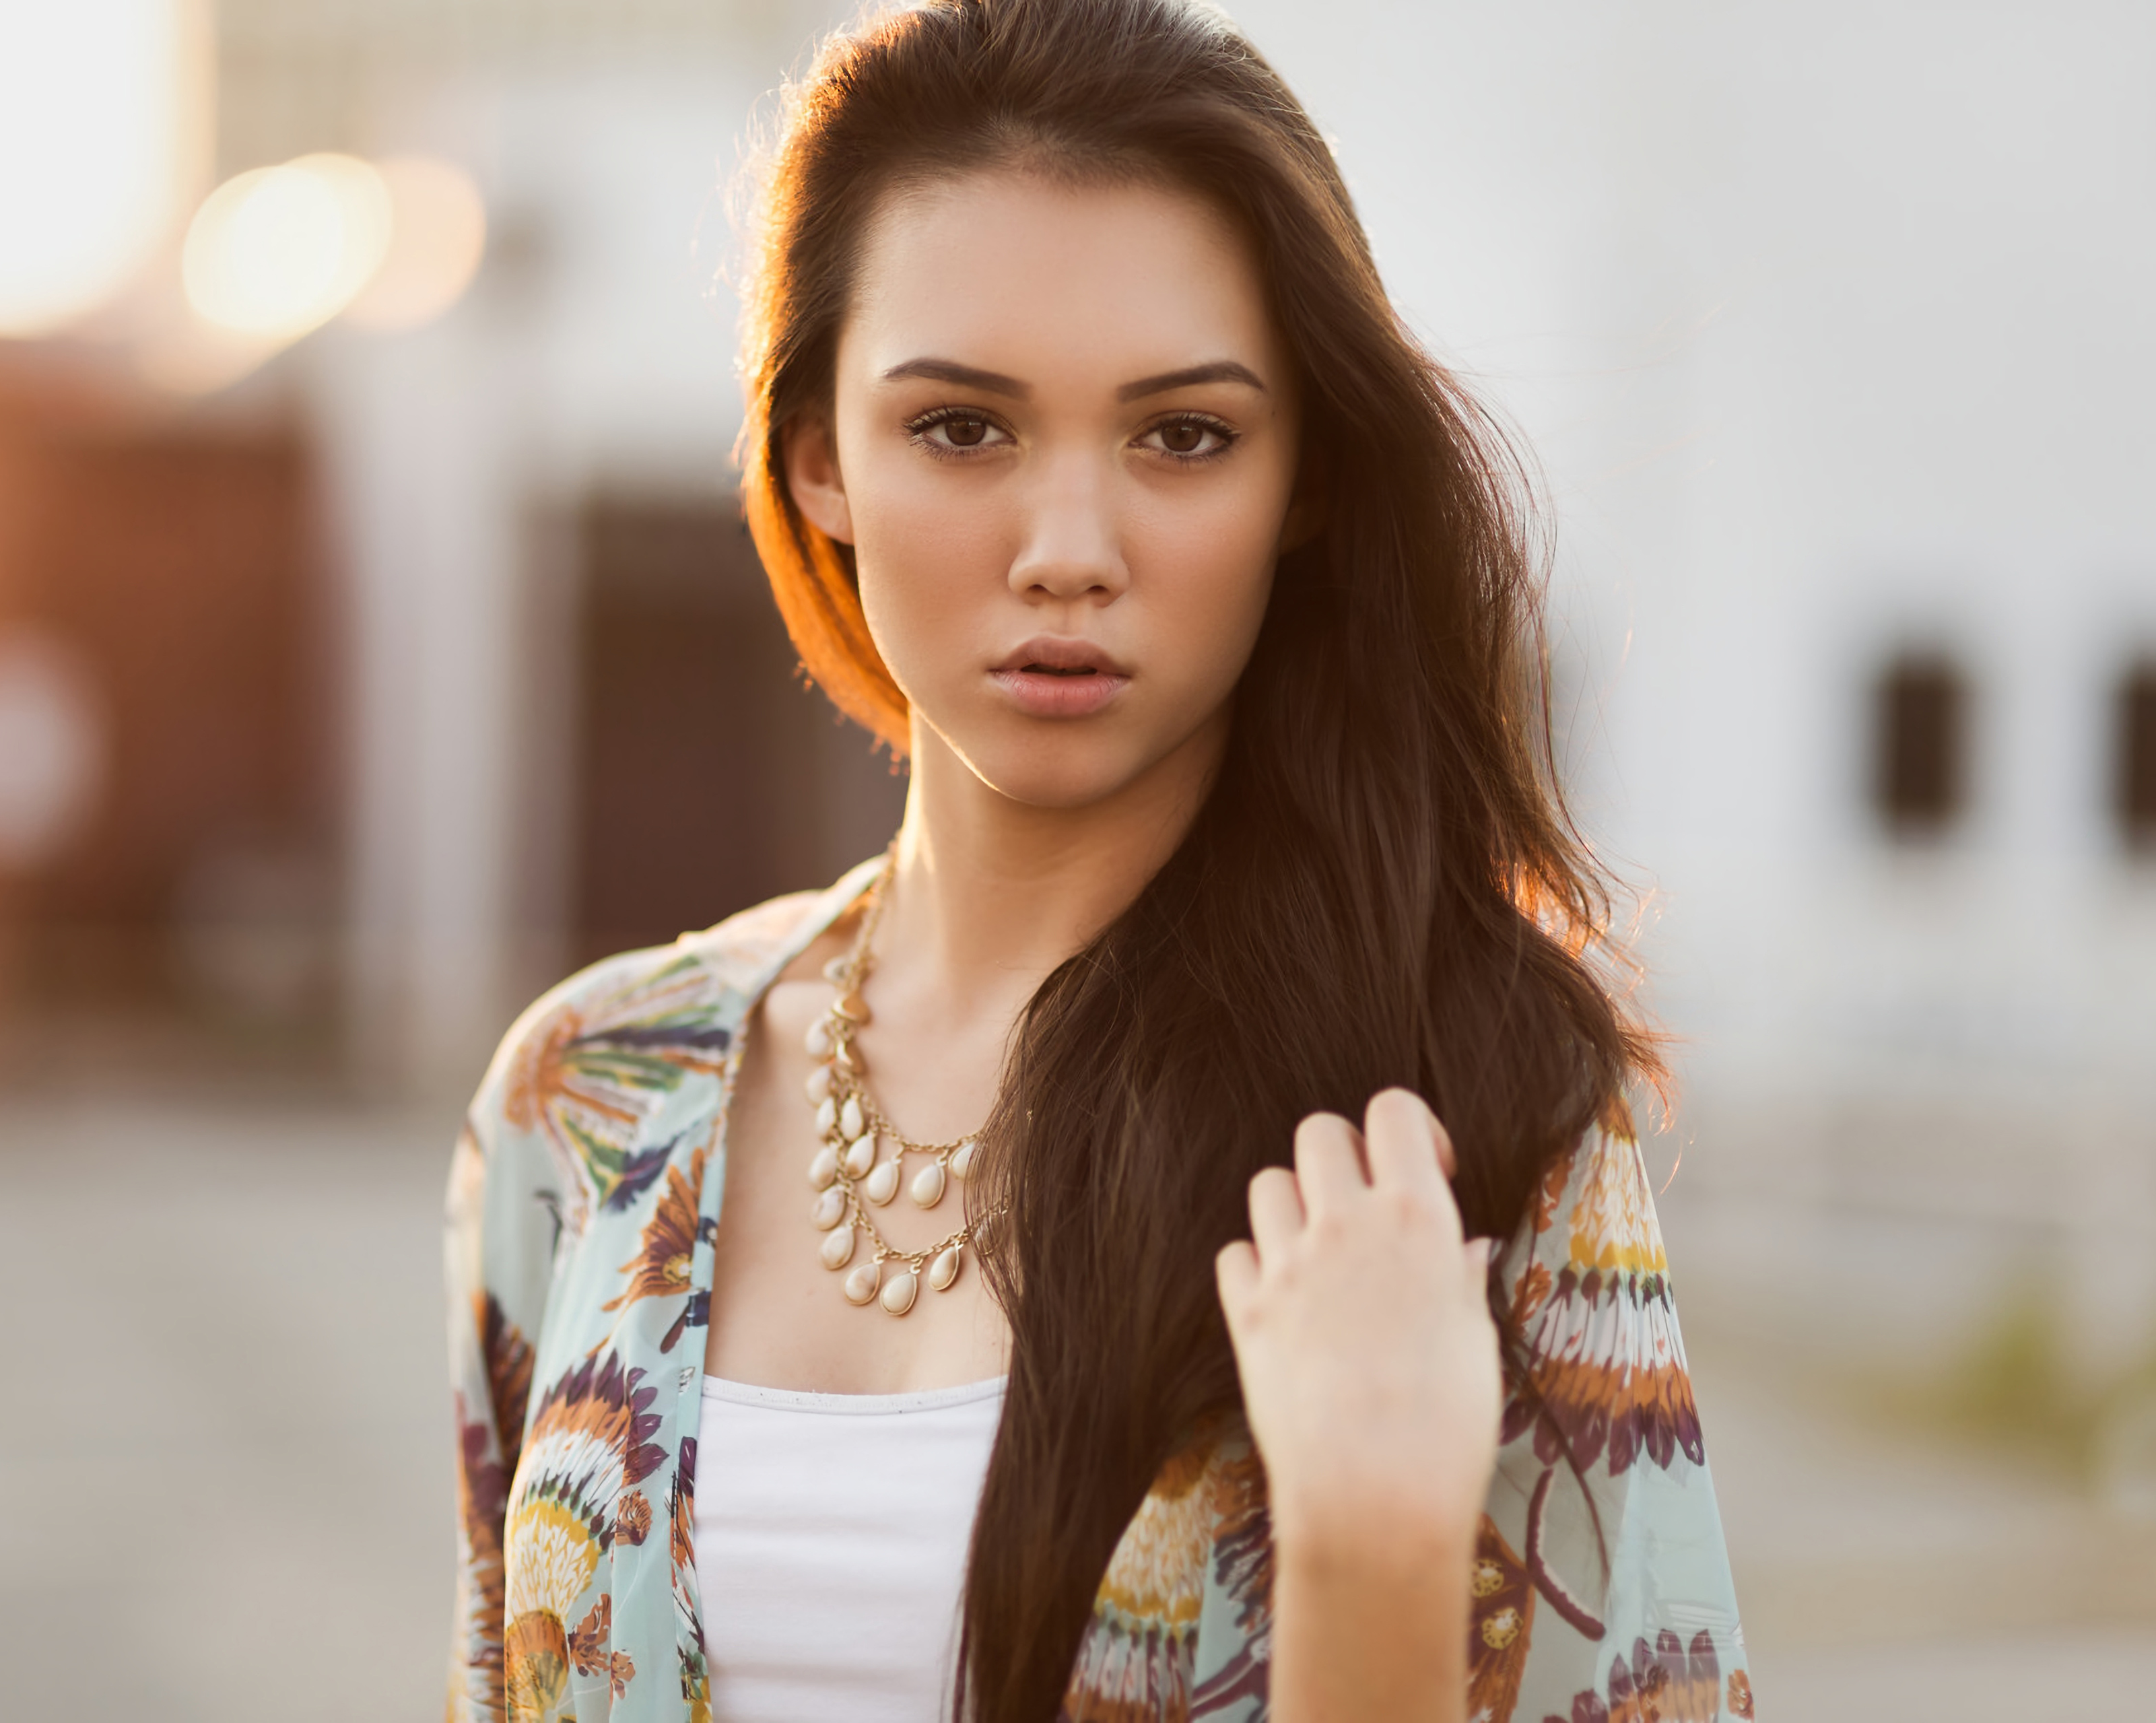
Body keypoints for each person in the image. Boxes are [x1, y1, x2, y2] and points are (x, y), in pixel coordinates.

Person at [446, 1, 1749, 1719]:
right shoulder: (586, 1098)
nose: (1069, 551)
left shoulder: (1469, 1112)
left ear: (1306, 482)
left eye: (1183, 435)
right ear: (820, 453)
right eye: (963, 429)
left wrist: (1372, 1558)